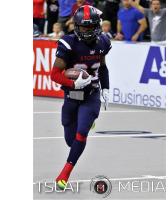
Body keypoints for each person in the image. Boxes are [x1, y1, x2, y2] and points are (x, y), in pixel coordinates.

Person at [50, 5, 111, 189]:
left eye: (92, 26)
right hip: (71, 95)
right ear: (76, 26)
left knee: (81, 133)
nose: (88, 30)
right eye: (84, 27)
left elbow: (103, 67)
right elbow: (54, 74)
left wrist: (105, 88)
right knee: (70, 139)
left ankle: (64, 174)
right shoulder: (68, 43)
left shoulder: (102, 42)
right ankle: (85, 123)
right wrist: (72, 83)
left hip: (91, 94)